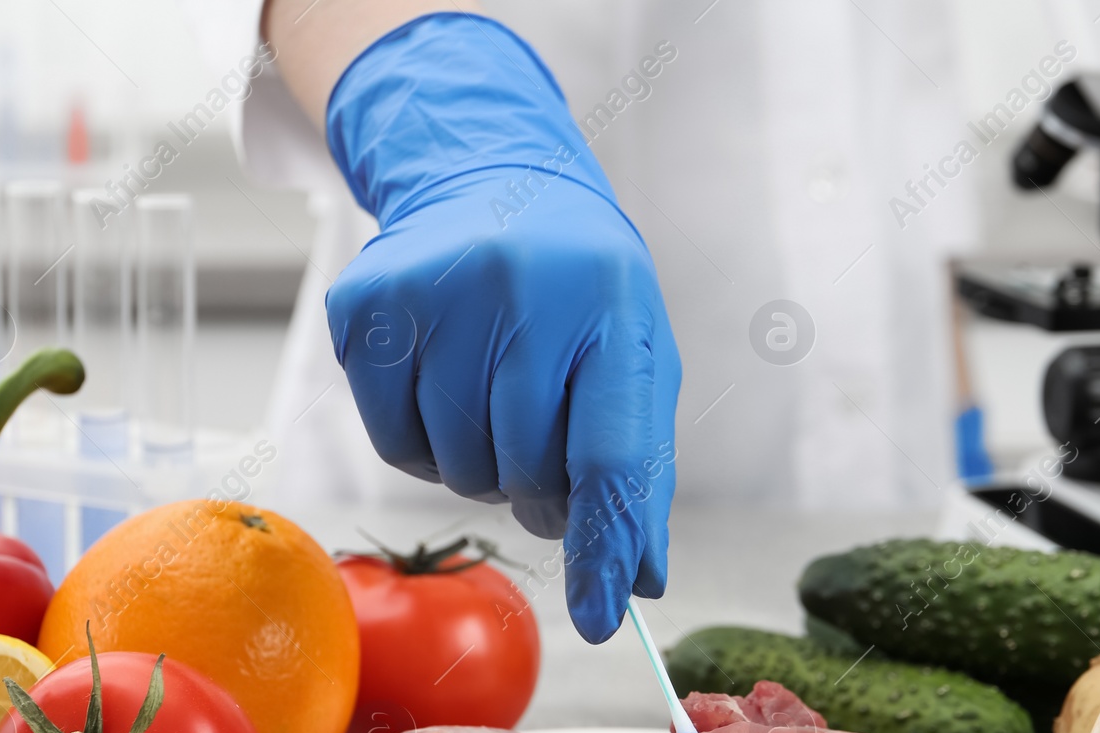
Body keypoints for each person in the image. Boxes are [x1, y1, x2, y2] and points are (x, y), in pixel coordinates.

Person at [183, 0, 973, 642]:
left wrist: (964, 415)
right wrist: (447, 113)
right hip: (451, 548)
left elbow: (912, 89)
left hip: (892, 457)